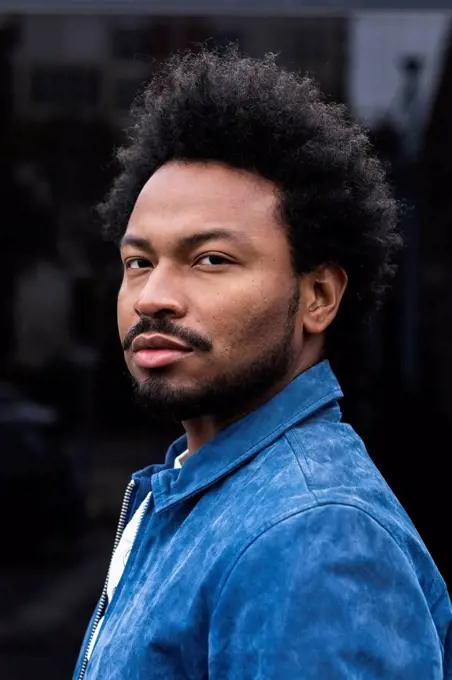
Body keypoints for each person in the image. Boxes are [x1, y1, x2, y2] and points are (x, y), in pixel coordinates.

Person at [74, 48, 451, 680]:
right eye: (139, 262)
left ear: (318, 297)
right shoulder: (196, 489)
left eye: (212, 259)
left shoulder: (313, 537)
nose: (153, 296)